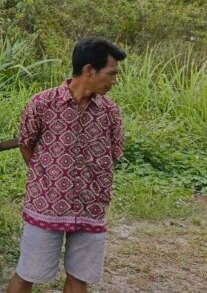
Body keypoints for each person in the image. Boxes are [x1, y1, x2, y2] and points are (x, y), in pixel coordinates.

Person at [7, 37, 126, 293]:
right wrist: (47, 176)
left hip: (90, 206)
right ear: (89, 70)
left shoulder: (110, 112)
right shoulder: (42, 104)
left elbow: (115, 153)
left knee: (79, 278)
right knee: (27, 272)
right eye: (112, 73)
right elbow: (26, 143)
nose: (115, 80)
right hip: (45, 204)